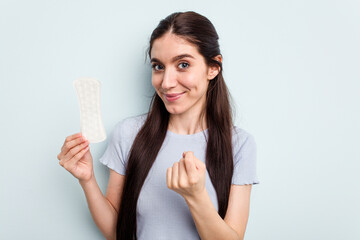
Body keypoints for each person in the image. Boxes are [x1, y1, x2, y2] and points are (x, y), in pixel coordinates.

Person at [57, 11, 259, 240]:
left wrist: (195, 196)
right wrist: (87, 180)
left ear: (213, 67)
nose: (166, 83)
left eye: (183, 64)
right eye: (158, 66)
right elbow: (117, 232)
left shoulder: (240, 145)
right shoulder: (129, 134)